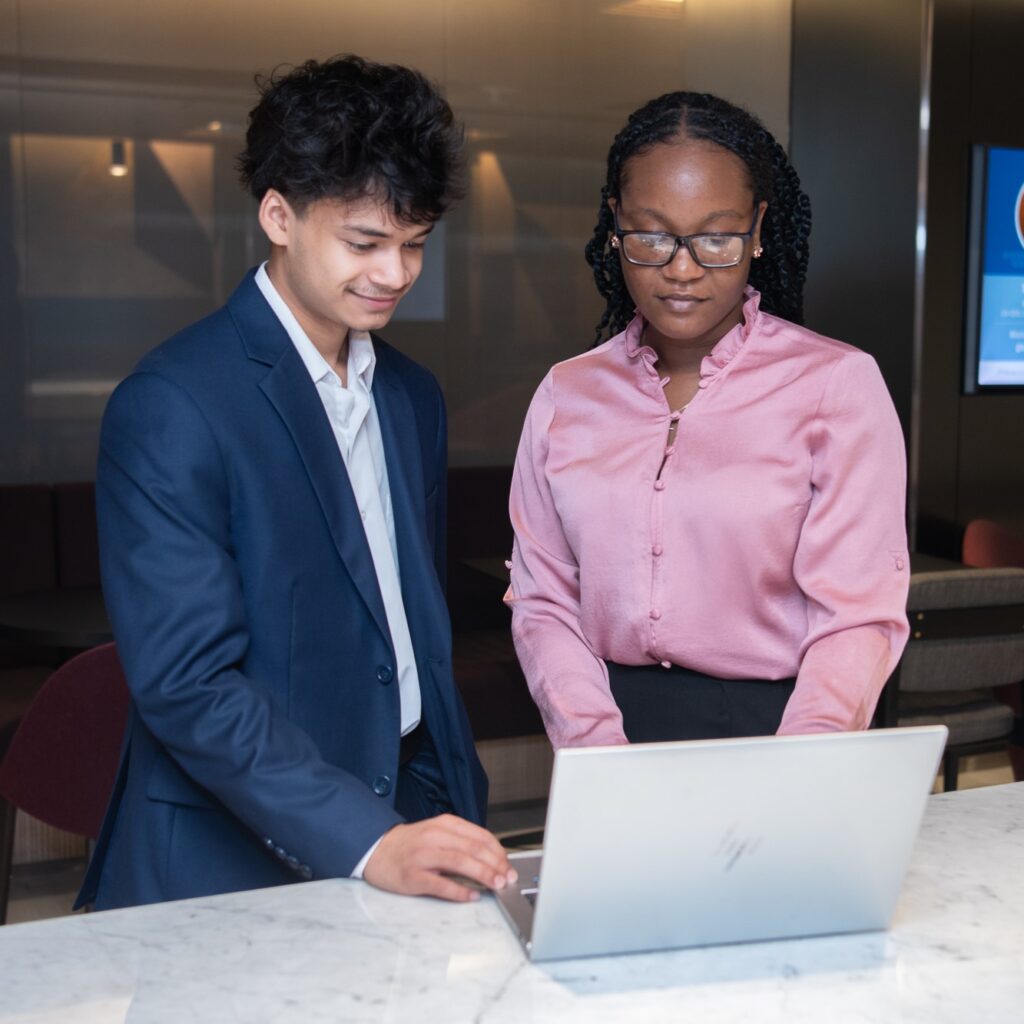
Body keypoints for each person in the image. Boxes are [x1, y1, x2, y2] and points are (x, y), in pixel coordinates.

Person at [77, 55, 515, 910]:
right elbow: (187, 685)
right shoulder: (173, 405)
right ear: (278, 215)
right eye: (364, 242)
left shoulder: (411, 394)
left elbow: (407, 626)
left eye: (414, 245)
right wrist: (366, 839)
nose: (394, 274)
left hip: (413, 811)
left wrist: (446, 800)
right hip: (230, 853)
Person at [506, 91, 910, 748]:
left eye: (717, 237)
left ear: (756, 229)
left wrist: (804, 764)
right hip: (601, 731)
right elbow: (544, 600)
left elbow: (857, 618)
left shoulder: (836, 385)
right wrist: (596, 751)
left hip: (778, 732)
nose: (683, 269)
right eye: (653, 236)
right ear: (615, 225)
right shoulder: (567, 394)